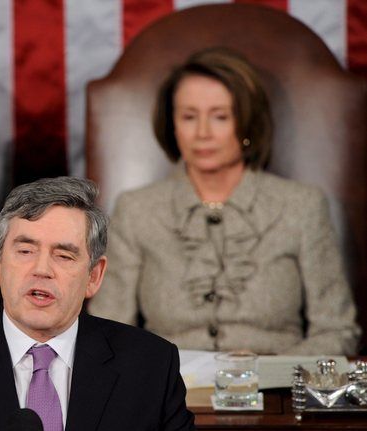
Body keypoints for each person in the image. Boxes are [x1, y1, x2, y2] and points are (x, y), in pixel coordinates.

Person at [88, 47, 361, 355]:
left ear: (246, 123)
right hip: (169, 393)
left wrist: (266, 375)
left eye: (220, 117)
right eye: (189, 117)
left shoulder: (302, 206)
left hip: (276, 394)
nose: (203, 133)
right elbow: (108, 330)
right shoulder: (136, 209)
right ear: (173, 126)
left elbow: (338, 331)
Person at [0, 177, 195, 431]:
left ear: (94, 276)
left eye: (64, 255)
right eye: (25, 251)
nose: (42, 269)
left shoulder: (151, 366)